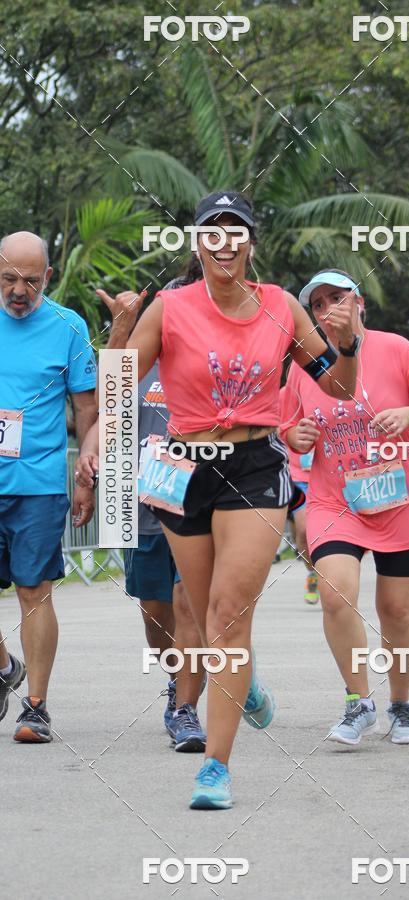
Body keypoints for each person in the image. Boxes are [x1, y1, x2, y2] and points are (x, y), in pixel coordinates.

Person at [95, 191, 360, 809]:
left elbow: (338, 387)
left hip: (253, 465)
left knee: (228, 614)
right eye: (211, 232)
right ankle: (247, 684)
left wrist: (348, 343)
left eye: (235, 231)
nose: (223, 243)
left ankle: (215, 767)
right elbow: (115, 390)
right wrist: (122, 327)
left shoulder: (281, 308)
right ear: (197, 244)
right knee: (200, 610)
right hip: (184, 467)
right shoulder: (172, 306)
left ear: (250, 243)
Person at [280, 269, 409, 746]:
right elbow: (285, 424)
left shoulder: (397, 348)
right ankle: (358, 703)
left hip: (398, 495)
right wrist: (292, 435)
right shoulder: (305, 364)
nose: (326, 310)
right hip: (334, 498)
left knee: (396, 609)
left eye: (336, 298)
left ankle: (401, 706)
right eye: (317, 305)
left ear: (359, 302)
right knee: (337, 595)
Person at [77, 360, 207, 751]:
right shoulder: (135, 364)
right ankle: (177, 678)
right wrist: (88, 452)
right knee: (155, 612)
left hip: (198, 507)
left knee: (189, 608)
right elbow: (108, 418)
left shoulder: (208, 362)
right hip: (143, 510)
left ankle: (186, 708)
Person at [0, 231, 97, 742]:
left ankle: (35, 705)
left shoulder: (68, 326)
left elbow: (87, 408)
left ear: (48, 278)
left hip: (36, 482)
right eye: (10, 278)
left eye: (31, 281)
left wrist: (86, 467)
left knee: (32, 590)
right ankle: (4, 669)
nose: (20, 290)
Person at [279, 387, 319, 604]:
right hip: (297, 476)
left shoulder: (334, 385)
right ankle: (313, 573)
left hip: (332, 475)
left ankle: (335, 575)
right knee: (303, 532)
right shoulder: (284, 393)